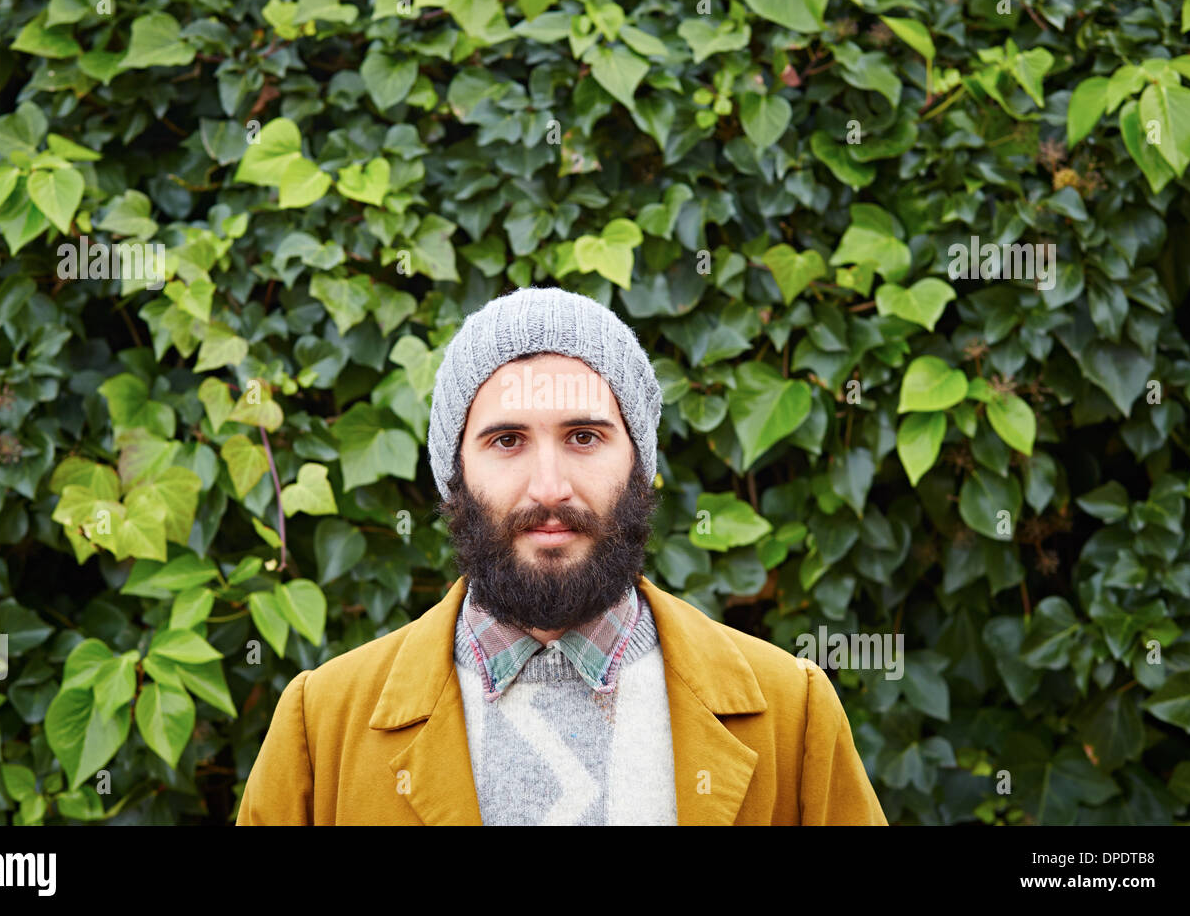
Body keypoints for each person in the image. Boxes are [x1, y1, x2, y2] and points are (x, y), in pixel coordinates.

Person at [236, 285, 887, 825]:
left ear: (639, 465)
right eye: (507, 441)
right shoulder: (321, 723)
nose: (549, 487)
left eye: (584, 436)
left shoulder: (791, 713)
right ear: (453, 475)